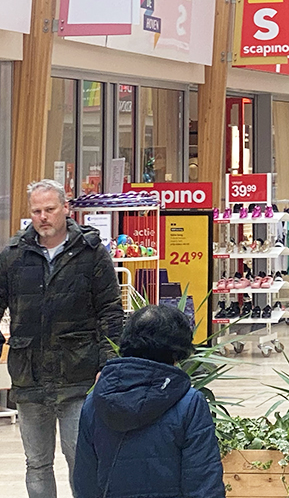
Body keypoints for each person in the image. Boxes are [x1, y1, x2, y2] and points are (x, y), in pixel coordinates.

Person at [0, 179, 124, 498]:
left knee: (80, 459)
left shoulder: (91, 252)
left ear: (66, 209)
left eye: (50, 209)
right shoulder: (13, 255)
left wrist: (108, 364)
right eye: (36, 210)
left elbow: (110, 311)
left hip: (79, 374)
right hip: (29, 376)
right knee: (37, 464)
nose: (43, 216)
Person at [73, 305, 224, 498]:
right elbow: (203, 481)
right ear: (177, 353)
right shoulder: (189, 403)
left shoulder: (95, 402)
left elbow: (85, 482)